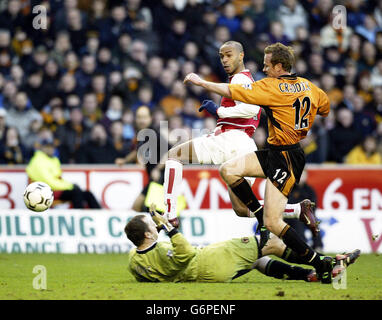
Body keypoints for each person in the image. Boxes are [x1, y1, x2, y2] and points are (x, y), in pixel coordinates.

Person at [183, 42, 334, 283]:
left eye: (267, 65)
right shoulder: (309, 86)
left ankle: (319, 262)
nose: (264, 70)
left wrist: (202, 83)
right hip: (276, 152)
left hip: (286, 159)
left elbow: (235, 93)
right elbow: (325, 107)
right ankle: (261, 214)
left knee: (274, 222)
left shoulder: (271, 87)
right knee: (229, 170)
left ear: (279, 66)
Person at [163, 41, 318, 242]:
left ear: (241, 56)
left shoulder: (240, 79)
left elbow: (252, 109)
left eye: (229, 55)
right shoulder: (244, 80)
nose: (225, 60)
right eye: (221, 56)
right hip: (245, 145)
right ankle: (297, 209)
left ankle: (170, 214)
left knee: (174, 156)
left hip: (230, 138)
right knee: (242, 208)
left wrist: (218, 110)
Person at [125, 205, 360, 283]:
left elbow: (144, 275)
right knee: (273, 243)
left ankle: (311, 276)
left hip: (204, 273)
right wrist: (170, 227)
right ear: (146, 235)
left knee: (259, 261)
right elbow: (184, 253)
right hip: (211, 260)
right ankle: (325, 264)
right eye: (152, 225)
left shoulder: (134, 260)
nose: (156, 225)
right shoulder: (163, 248)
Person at [115, 105, 173, 212]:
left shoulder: (154, 133)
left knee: (142, 207)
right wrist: (124, 160)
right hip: (155, 179)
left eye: (144, 117)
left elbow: (170, 152)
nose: (142, 120)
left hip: (160, 178)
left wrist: (157, 169)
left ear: (150, 118)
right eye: (139, 117)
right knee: (153, 211)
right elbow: (137, 151)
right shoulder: (143, 134)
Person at [26, 138, 101, 209]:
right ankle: (78, 216)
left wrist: (70, 186)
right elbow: (48, 181)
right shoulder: (38, 161)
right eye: (47, 147)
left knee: (87, 194)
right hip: (43, 192)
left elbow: (57, 179)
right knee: (76, 192)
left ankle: (100, 216)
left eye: (52, 147)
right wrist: (70, 186)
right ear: (42, 148)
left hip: (54, 189)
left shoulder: (52, 160)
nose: (51, 149)